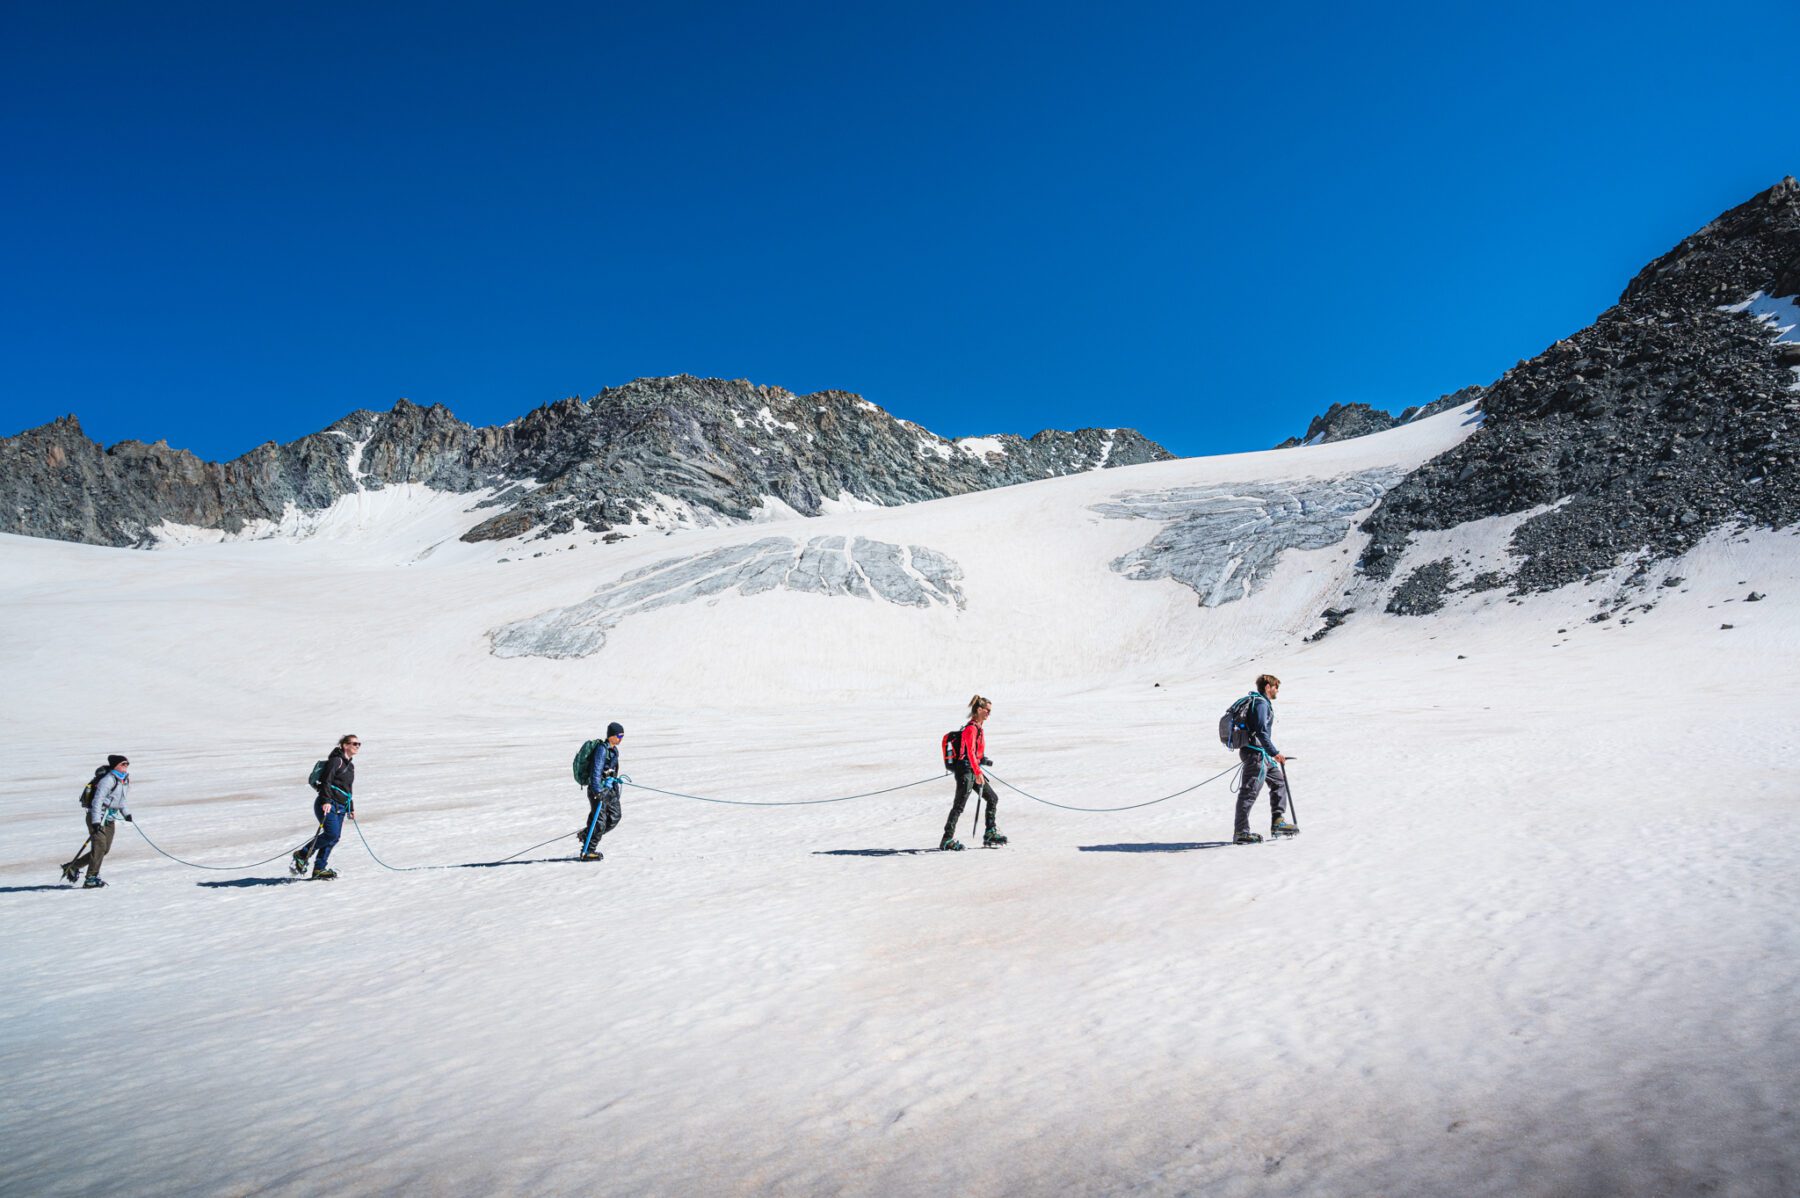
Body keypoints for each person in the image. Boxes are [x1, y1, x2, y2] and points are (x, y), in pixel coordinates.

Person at [1233, 674, 1297, 844]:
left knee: (1278, 781)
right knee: (1249, 792)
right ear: (1268, 687)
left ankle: (1278, 821)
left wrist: (1270, 754)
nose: (1277, 691)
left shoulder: (1262, 703)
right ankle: (1241, 832)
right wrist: (1275, 752)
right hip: (1256, 755)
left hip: (1262, 755)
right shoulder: (1261, 704)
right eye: (1276, 687)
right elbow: (1261, 731)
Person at [941, 695, 1005, 851]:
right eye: (987, 710)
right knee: (959, 806)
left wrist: (982, 761)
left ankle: (990, 831)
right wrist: (977, 772)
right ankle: (947, 839)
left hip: (973, 769)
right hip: (966, 771)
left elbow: (973, 752)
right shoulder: (971, 729)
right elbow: (969, 752)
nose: (989, 713)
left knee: (992, 798)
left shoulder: (978, 728)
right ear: (979, 710)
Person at [292, 735, 359, 880]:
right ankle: (302, 854)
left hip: (341, 805)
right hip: (327, 804)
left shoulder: (350, 765)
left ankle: (319, 869)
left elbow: (347, 788)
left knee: (334, 838)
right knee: (332, 834)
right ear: (344, 745)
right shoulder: (336, 761)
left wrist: (350, 808)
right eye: (354, 743)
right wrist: (326, 801)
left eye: (359, 744)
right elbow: (326, 782)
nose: (357, 746)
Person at [62, 755, 132, 888]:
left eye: (127, 764)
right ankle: (91, 878)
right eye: (123, 764)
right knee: (99, 846)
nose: (126, 766)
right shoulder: (108, 780)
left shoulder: (124, 780)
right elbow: (98, 800)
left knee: (104, 849)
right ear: (115, 765)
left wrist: (126, 814)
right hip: (98, 817)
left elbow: (120, 800)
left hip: (109, 818)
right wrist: (95, 821)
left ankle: (72, 866)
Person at [580, 723, 624, 860]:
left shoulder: (614, 750)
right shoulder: (601, 749)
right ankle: (588, 851)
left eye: (622, 736)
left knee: (615, 817)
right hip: (598, 790)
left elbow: (612, 770)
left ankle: (587, 835)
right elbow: (596, 771)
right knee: (600, 821)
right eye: (619, 736)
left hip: (610, 790)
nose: (621, 739)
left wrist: (615, 782)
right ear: (611, 735)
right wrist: (598, 791)